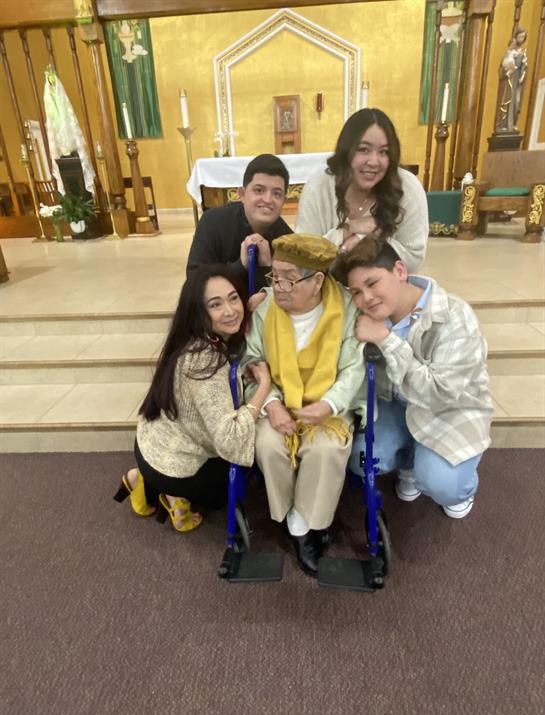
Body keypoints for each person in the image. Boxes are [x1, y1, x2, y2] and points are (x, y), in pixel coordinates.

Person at [334, 237, 493, 519]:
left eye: (373, 283)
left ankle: (461, 486)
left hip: (449, 411)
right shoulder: (364, 314)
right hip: (396, 404)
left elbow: (439, 394)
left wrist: (385, 339)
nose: (366, 298)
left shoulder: (455, 315)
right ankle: (409, 464)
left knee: (443, 484)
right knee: (361, 459)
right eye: (356, 292)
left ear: (399, 271)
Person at [114, 265, 272, 532]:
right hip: (174, 469)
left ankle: (142, 480)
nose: (230, 310)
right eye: (216, 304)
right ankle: (173, 495)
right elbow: (231, 438)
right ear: (199, 311)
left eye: (233, 298)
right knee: (231, 483)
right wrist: (263, 387)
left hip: (149, 446)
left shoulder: (190, 338)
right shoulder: (204, 362)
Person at [242, 233, 364, 576]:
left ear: (317, 281)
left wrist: (329, 404)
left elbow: (354, 367)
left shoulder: (345, 308)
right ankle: (294, 518)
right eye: (274, 276)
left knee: (326, 449)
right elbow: (251, 361)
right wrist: (272, 404)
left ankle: (304, 524)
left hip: (329, 403)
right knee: (268, 445)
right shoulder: (266, 308)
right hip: (277, 399)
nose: (278, 287)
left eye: (289, 279)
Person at [295, 108, 428, 272]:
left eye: (383, 152)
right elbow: (302, 256)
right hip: (326, 283)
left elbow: (413, 256)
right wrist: (346, 231)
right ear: (346, 150)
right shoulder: (319, 187)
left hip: (386, 284)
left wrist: (363, 239)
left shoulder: (408, 187)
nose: (373, 162)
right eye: (364, 149)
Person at [186, 154, 293, 291]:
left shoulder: (287, 241)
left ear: (284, 200)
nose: (267, 199)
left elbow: (294, 295)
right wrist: (240, 266)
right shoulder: (212, 222)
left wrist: (268, 268)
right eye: (259, 190)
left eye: (276, 193)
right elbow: (194, 284)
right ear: (242, 194)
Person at [494, 28, 528, 133]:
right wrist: (508, 69)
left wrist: (522, 76)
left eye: (523, 37)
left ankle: (512, 125)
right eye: (520, 36)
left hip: (517, 81)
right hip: (508, 81)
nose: (521, 39)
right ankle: (503, 124)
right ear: (516, 36)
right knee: (506, 100)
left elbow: (524, 68)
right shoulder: (509, 51)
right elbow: (502, 67)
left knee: (515, 102)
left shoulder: (523, 53)